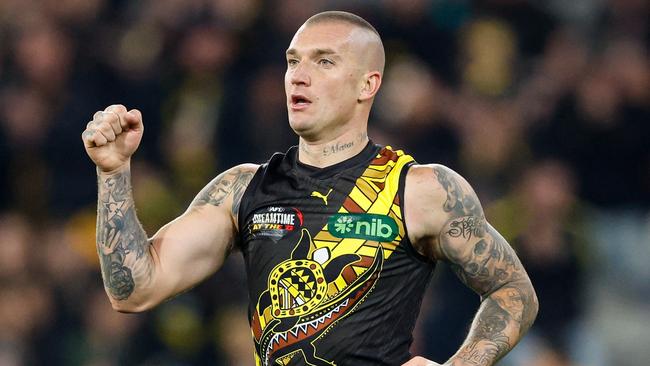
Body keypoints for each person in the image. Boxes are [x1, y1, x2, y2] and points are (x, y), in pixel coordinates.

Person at [81, 11, 537, 366]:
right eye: (293, 61)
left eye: (324, 62)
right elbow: (133, 290)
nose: (299, 75)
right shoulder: (243, 189)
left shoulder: (420, 189)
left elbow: (513, 292)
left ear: (367, 84)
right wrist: (113, 172)